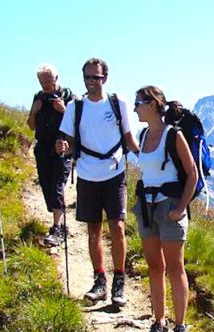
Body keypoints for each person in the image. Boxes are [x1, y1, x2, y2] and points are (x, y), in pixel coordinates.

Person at [56, 58, 139, 306]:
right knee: (93, 231)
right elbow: (67, 140)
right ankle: (100, 280)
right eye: (88, 77)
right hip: (87, 174)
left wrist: (147, 159)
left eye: (96, 77)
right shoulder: (75, 107)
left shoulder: (117, 103)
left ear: (105, 78)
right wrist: (61, 146)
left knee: (118, 228)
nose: (92, 82)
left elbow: (128, 137)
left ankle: (119, 282)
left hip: (114, 172)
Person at [133, 86, 197, 332]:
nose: (135, 107)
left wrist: (180, 208)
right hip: (146, 206)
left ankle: (180, 327)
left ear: (152, 104)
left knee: (175, 267)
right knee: (155, 267)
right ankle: (159, 323)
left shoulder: (173, 135)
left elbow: (192, 173)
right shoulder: (143, 134)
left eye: (139, 102)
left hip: (169, 206)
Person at [27, 63, 75, 247]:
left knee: (57, 185)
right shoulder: (38, 98)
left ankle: (58, 227)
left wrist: (64, 110)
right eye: (42, 81)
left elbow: (78, 125)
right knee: (46, 185)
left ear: (56, 78)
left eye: (48, 80)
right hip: (43, 147)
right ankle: (58, 221)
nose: (46, 84)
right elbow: (31, 125)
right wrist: (34, 111)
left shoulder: (68, 97)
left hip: (62, 147)